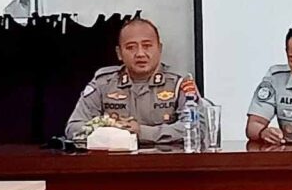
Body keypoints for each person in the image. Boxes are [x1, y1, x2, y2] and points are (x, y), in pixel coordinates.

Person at [65, 18, 200, 144]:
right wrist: (112, 131)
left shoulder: (178, 83)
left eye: (147, 46)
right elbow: (74, 128)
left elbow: (197, 127)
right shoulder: (103, 84)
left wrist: (143, 132)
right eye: (131, 47)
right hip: (116, 159)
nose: (140, 54)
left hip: (166, 159)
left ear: (159, 49)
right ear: (119, 53)